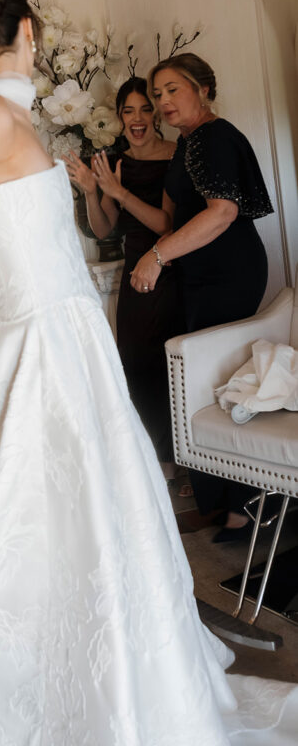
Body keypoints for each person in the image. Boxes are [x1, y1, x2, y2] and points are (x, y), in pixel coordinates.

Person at [0, 0, 297, 745]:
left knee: (97, 518)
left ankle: (114, 670)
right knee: (67, 520)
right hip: (42, 348)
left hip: (64, 339)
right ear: (28, 32)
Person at [131, 54, 274, 542]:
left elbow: (221, 213)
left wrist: (156, 257)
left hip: (227, 274)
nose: (163, 102)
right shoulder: (188, 144)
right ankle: (226, 503)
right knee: (205, 385)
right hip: (198, 276)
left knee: (220, 386)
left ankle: (243, 507)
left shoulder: (213, 137)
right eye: (157, 95)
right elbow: (172, 222)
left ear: (204, 89)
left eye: (173, 90)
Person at [64, 77, 186, 486]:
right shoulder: (116, 163)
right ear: (119, 117)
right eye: (128, 111)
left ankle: (185, 462)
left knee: (170, 367)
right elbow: (103, 230)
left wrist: (119, 191)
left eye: (145, 109)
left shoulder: (175, 156)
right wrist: (89, 192)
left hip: (170, 269)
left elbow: (166, 224)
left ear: (156, 114)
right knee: (135, 366)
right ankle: (160, 465)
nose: (137, 119)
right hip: (134, 275)